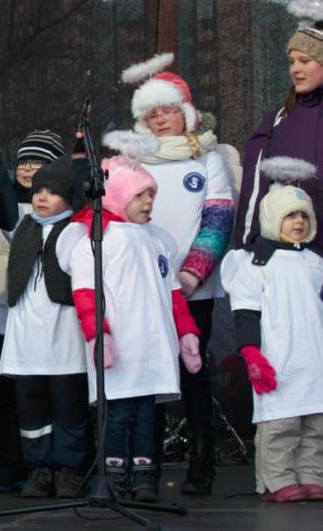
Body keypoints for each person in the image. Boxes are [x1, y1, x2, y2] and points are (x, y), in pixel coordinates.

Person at [119, 52, 235, 495]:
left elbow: (218, 219)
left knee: (193, 372)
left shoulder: (207, 159)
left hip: (192, 290)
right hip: (143, 288)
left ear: (184, 112)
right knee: (143, 372)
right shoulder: (131, 161)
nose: (159, 119)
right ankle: (138, 463)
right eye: (151, 112)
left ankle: (201, 463)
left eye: (167, 109)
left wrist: (191, 275)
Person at [59, 155, 202, 503]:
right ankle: (113, 475)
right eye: (140, 195)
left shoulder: (157, 240)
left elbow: (172, 293)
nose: (149, 202)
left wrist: (186, 333)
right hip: (120, 345)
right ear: (118, 195)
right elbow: (86, 294)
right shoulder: (95, 241)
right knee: (118, 411)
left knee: (146, 412)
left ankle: (144, 477)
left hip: (152, 346)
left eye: (151, 195)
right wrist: (99, 335)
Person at [221, 156, 323, 503]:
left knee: (314, 425)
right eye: (290, 216)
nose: (297, 222)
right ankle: (276, 479)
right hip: (277, 356)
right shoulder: (256, 263)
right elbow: (245, 313)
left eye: (303, 216)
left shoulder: (315, 262)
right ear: (272, 219)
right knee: (280, 425)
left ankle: (310, 475)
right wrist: (251, 353)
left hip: (314, 359)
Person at [0, 128, 67, 492]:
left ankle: (55, 465)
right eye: (24, 161)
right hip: (3, 303)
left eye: (39, 162)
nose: (29, 169)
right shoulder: (7, 205)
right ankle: (8, 463)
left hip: (49, 310)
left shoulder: (62, 213)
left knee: (48, 392)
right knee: (6, 389)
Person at [0, 156, 89, 499]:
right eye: (38, 191)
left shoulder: (78, 231)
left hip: (63, 331)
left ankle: (70, 468)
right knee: (31, 404)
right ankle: (39, 468)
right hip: (27, 336)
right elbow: (3, 202)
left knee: (68, 404)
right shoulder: (25, 227)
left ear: (69, 197)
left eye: (52, 192)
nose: (42, 197)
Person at [234, 6, 323, 248]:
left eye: (304, 61)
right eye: (292, 61)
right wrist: (248, 244)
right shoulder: (277, 121)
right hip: (297, 257)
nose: (295, 69)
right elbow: (254, 189)